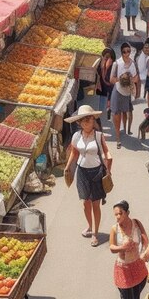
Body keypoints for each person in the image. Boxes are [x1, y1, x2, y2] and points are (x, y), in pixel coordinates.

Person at [64, 105, 112, 247]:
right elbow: (74, 152)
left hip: (96, 172)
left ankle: (95, 233)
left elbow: (106, 152)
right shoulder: (76, 136)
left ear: (93, 121)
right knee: (85, 203)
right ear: (79, 122)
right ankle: (89, 226)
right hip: (82, 172)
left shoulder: (98, 136)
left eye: (89, 120)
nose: (87, 123)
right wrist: (68, 166)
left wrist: (109, 167)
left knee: (96, 204)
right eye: (84, 120)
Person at [109, 200, 149, 299]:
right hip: (123, 269)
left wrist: (146, 252)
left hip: (138, 266)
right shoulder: (114, 229)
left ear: (127, 213)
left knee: (136, 296)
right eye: (115, 214)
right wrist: (123, 248)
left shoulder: (136, 224)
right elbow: (112, 247)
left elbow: (145, 239)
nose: (118, 217)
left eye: (120, 213)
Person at [110, 43, 138, 149]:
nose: (126, 54)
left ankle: (125, 130)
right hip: (117, 91)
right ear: (121, 52)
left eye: (128, 51)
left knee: (125, 112)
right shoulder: (117, 64)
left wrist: (129, 78)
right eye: (124, 52)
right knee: (116, 114)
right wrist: (121, 78)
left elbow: (136, 78)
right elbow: (111, 79)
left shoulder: (132, 63)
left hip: (126, 92)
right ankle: (118, 137)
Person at [96, 47, 116, 121]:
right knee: (103, 101)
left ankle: (108, 112)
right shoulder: (101, 63)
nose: (107, 58)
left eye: (109, 56)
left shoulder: (113, 65)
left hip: (110, 86)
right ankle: (100, 117)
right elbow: (98, 72)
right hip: (103, 86)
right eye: (106, 56)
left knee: (109, 101)